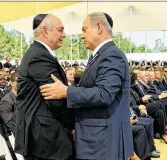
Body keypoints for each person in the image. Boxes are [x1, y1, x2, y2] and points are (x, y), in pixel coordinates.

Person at [40, 12, 133, 159]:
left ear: (99, 27)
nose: (81, 36)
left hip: (102, 142)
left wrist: (67, 92)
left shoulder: (111, 55)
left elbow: (104, 94)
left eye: (84, 29)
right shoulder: (101, 55)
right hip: (99, 138)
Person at [15, 13, 74, 160]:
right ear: (45, 31)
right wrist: (72, 125)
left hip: (45, 138)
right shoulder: (39, 56)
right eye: (60, 30)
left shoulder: (39, 53)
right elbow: (54, 97)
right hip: (45, 141)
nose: (64, 35)